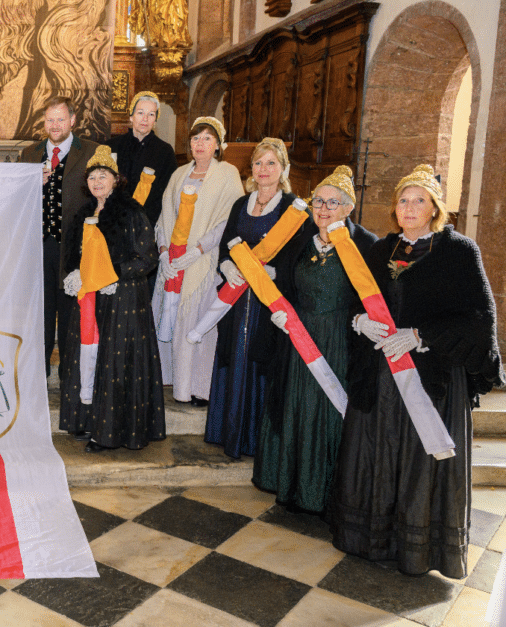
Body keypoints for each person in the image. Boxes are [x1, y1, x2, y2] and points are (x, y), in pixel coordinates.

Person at [328, 164, 503, 578]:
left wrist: (421, 335)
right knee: (375, 451)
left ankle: (418, 549)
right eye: (403, 201)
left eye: (418, 200)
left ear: (435, 208)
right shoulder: (380, 250)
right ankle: (371, 538)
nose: (409, 208)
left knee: (418, 460)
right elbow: (354, 299)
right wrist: (359, 321)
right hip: (380, 375)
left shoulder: (459, 251)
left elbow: (480, 318)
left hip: (430, 378)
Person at [253, 166, 376, 513]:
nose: (323, 209)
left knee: (328, 410)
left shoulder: (366, 244)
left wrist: (362, 320)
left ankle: (322, 492)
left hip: (338, 340)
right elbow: (284, 285)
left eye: (332, 203)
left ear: (348, 207)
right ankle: (289, 484)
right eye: (318, 201)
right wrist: (279, 312)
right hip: (298, 337)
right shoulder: (300, 240)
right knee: (294, 404)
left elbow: (373, 296)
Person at [58, 146, 165, 452]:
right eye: (92, 176)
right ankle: (85, 420)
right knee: (85, 356)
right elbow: (74, 254)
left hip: (122, 300)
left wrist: (112, 274)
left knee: (112, 362)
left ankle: (109, 433)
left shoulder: (131, 212)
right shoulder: (83, 213)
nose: (97, 181)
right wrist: (76, 273)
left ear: (116, 180)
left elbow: (147, 258)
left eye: (103, 175)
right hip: (90, 298)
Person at [205, 137, 301, 459]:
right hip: (236, 298)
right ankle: (227, 432)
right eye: (258, 163)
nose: (264, 169)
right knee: (232, 354)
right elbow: (225, 245)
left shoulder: (291, 207)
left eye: (271, 163)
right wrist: (227, 266)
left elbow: (298, 255)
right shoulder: (240, 204)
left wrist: (275, 272)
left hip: (268, 302)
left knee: (261, 359)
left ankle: (255, 441)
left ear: (284, 169)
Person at [151, 116, 243, 406]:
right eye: (195, 138)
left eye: (207, 138)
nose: (200, 143)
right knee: (168, 316)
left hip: (204, 260)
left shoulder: (227, 173)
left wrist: (198, 250)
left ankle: (196, 388)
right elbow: (165, 215)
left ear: (217, 145)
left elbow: (228, 219)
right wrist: (164, 251)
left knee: (196, 323)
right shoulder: (179, 174)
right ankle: (168, 377)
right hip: (173, 259)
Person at [20, 97, 102, 377]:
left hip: (75, 252)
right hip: (38, 250)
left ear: (73, 121)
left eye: (61, 119)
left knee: (71, 317)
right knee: (40, 317)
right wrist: (31, 183)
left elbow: (104, 196)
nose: (55, 125)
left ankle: (71, 380)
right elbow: (16, 199)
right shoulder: (29, 154)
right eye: (50, 120)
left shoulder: (93, 151)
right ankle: (37, 378)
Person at [107, 91, 178, 231]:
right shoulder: (112, 146)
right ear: (131, 116)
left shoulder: (165, 152)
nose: (145, 118)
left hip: (147, 224)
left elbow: (167, 193)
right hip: (113, 222)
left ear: (155, 120)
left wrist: (145, 222)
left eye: (151, 114)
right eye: (140, 113)